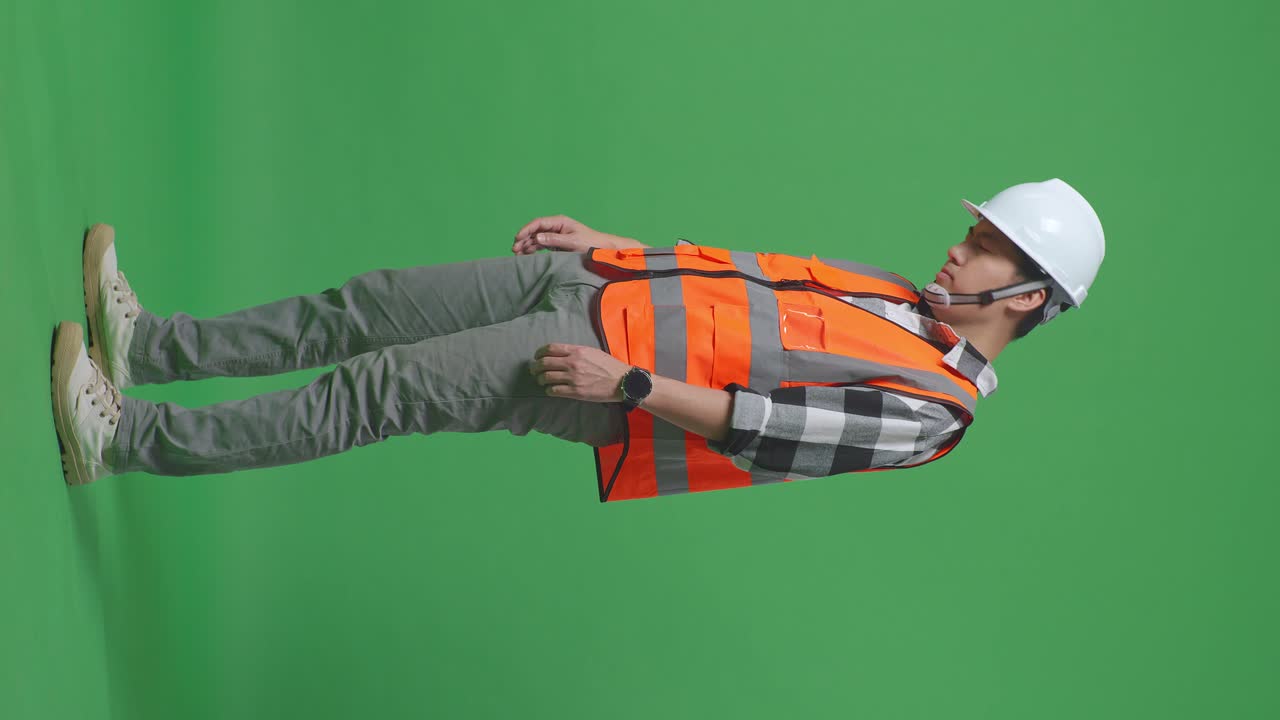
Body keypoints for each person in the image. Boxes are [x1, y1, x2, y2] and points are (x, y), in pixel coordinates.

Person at [50, 178, 1105, 502]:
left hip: (593, 371)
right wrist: (618, 247)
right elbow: (743, 283)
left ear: (1025, 297)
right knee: (364, 306)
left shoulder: (932, 411)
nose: (958, 249)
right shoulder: (900, 299)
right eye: (973, 232)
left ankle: (124, 439)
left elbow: (765, 430)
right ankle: (154, 349)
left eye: (983, 247)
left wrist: (627, 385)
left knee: (369, 392)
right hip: (597, 285)